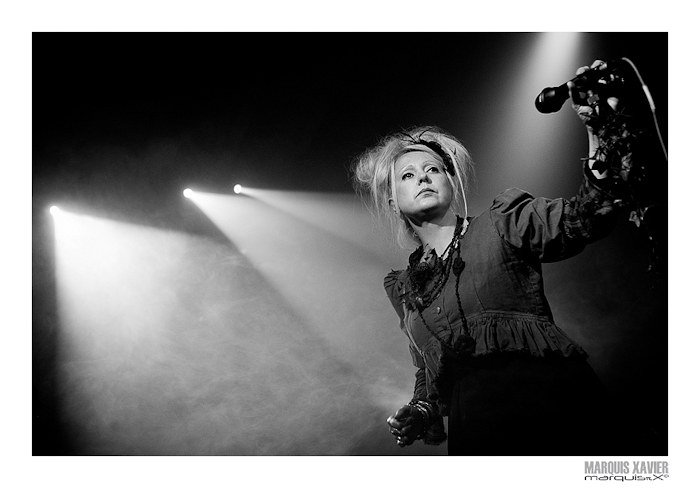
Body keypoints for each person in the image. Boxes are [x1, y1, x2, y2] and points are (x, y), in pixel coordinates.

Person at [351, 61, 633, 455]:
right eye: (408, 175)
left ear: (451, 182)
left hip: (552, 405)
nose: (424, 178)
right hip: (477, 430)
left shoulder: (502, 220)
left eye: (433, 169)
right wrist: (420, 410)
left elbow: (582, 219)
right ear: (392, 200)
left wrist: (598, 129)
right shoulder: (402, 287)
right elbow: (428, 371)